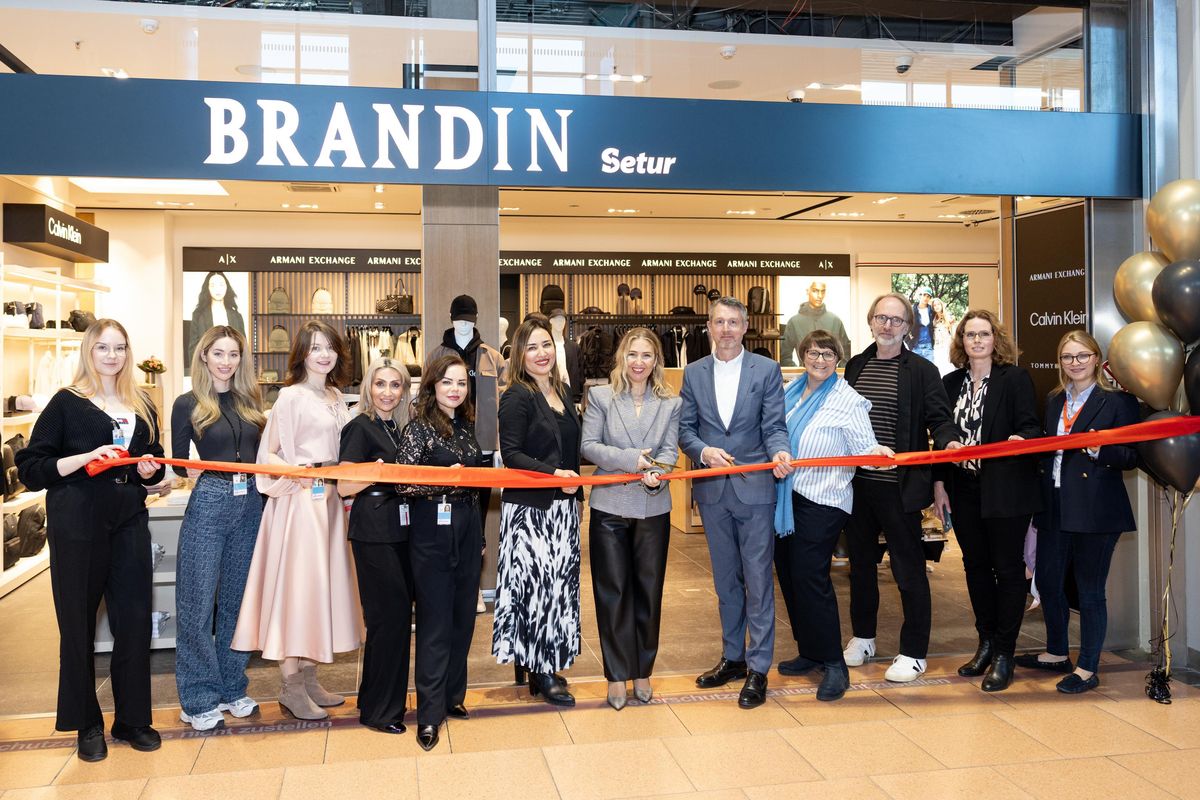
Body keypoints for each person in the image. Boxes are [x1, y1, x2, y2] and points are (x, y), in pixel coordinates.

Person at [15, 319, 165, 762]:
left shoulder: (141, 402)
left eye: (120, 347)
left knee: (135, 620)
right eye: (103, 347)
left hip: (129, 521)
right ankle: (87, 723)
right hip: (78, 522)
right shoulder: (67, 403)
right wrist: (85, 457)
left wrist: (149, 473)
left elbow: (152, 461)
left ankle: (133, 719)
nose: (112, 356)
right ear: (89, 351)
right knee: (77, 623)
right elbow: (31, 466)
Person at [232, 320, 362, 719]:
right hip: (301, 504)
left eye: (330, 347)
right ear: (302, 354)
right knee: (296, 592)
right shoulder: (289, 397)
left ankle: (308, 677)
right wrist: (295, 479)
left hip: (329, 501)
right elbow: (267, 455)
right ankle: (289, 685)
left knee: (318, 591)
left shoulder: (337, 395)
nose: (324, 354)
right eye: (315, 347)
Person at [678, 297, 793, 709]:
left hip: (755, 488)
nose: (725, 329)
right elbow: (686, 430)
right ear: (708, 327)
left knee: (759, 581)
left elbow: (775, 427)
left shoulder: (766, 370)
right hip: (712, 490)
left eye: (733, 322)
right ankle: (733, 657)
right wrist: (703, 451)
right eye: (719, 322)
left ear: (745, 327)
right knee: (726, 581)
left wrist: (780, 452)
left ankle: (759, 667)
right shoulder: (693, 373)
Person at [842, 293, 960, 682]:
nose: (887, 326)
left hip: (901, 488)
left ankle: (914, 652)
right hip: (858, 486)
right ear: (871, 322)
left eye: (896, 320)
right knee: (860, 568)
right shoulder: (856, 366)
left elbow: (939, 421)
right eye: (880, 318)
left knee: (908, 571)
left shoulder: (923, 371)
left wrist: (949, 445)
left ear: (908, 327)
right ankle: (863, 638)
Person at [1015, 330, 1139, 694]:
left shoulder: (1118, 403)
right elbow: (1052, 449)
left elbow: (1132, 456)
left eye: (1082, 356)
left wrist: (1100, 449)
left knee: (1089, 590)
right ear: (1060, 363)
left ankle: (1088, 667)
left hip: (1096, 509)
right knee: (1050, 583)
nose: (1075, 363)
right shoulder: (1055, 399)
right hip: (1053, 505)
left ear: (1096, 359)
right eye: (1068, 357)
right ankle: (1057, 652)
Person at [773, 330, 893, 701]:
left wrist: (879, 453)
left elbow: (863, 446)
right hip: (784, 500)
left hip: (824, 499)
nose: (820, 360)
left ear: (838, 358)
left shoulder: (848, 400)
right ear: (801, 354)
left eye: (828, 354)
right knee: (790, 577)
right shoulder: (789, 392)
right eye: (813, 353)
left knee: (810, 577)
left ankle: (834, 664)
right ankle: (809, 650)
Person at [931, 311, 1041, 693]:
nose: (977, 340)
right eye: (970, 334)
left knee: (1007, 570)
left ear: (996, 339)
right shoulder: (950, 383)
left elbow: (1031, 427)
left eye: (984, 333)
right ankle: (986, 643)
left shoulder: (1015, 379)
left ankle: (1005, 654)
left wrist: (1019, 441)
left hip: (1006, 488)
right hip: (964, 488)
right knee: (975, 567)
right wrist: (941, 480)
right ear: (961, 341)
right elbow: (940, 428)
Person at [580, 328, 682, 711]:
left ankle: (643, 670)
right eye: (633, 354)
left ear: (657, 361)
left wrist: (658, 470)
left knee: (648, 593)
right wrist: (630, 460)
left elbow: (670, 449)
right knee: (613, 594)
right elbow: (588, 445)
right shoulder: (602, 397)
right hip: (609, 507)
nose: (639, 362)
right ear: (622, 357)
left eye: (647, 356)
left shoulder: (671, 403)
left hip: (653, 508)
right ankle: (617, 674)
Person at [171, 326, 267, 731]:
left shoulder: (250, 400)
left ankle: (232, 686)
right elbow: (177, 464)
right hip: (209, 499)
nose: (227, 362)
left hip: (251, 504)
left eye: (234, 355)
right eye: (219, 354)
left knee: (237, 602)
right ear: (204, 357)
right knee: (196, 603)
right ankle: (196, 699)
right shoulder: (187, 402)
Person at [393, 354, 483, 750]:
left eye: (461, 383)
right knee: (434, 622)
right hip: (431, 529)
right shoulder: (419, 429)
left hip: (466, 525)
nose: (455, 389)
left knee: (463, 617)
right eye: (447, 382)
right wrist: (440, 482)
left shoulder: (467, 426)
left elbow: (476, 485)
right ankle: (429, 716)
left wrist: (479, 535)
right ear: (431, 385)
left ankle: (452, 697)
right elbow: (402, 483)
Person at [492, 315, 583, 707]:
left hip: (562, 509)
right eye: (531, 347)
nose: (541, 353)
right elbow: (510, 454)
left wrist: (574, 494)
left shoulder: (562, 390)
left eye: (546, 344)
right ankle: (542, 668)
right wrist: (552, 474)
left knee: (559, 589)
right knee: (538, 591)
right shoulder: (517, 395)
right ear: (519, 355)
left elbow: (571, 450)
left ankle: (541, 661)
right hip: (531, 513)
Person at [336, 357, 413, 736]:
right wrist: (375, 472)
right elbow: (343, 486)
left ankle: (374, 700)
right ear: (368, 388)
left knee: (394, 622)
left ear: (403, 390)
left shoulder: (399, 428)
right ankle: (381, 712)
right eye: (380, 384)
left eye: (394, 385)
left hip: (400, 532)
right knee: (389, 621)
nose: (387, 392)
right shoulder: (359, 427)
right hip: (373, 533)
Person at [780, 281, 851, 367]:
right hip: (805, 376)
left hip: (831, 376)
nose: (820, 296)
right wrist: (799, 373)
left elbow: (847, 351)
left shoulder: (835, 321)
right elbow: (785, 355)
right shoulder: (794, 322)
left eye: (823, 291)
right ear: (808, 291)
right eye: (815, 291)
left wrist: (840, 370)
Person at [187, 271, 246, 368]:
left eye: (221, 285)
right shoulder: (198, 315)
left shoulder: (236, 316)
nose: (217, 289)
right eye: (213, 285)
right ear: (207, 288)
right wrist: (196, 372)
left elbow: (243, 346)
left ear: (227, 287)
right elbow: (193, 347)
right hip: (206, 369)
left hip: (232, 368)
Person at [908, 286, 936, 363]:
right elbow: (905, 326)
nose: (925, 298)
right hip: (916, 347)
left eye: (928, 296)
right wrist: (910, 343)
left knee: (930, 371)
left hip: (929, 347)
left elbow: (941, 317)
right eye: (924, 295)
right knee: (915, 372)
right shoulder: (912, 310)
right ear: (920, 295)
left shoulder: (932, 311)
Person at [930, 298, 956, 376]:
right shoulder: (933, 318)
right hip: (937, 346)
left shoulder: (948, 317)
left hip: (947, 345)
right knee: (938, 366)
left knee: (948, 366)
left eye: (938, 304)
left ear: (941, 305)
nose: (937, 306)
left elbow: (953, 333)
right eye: (934, 305)